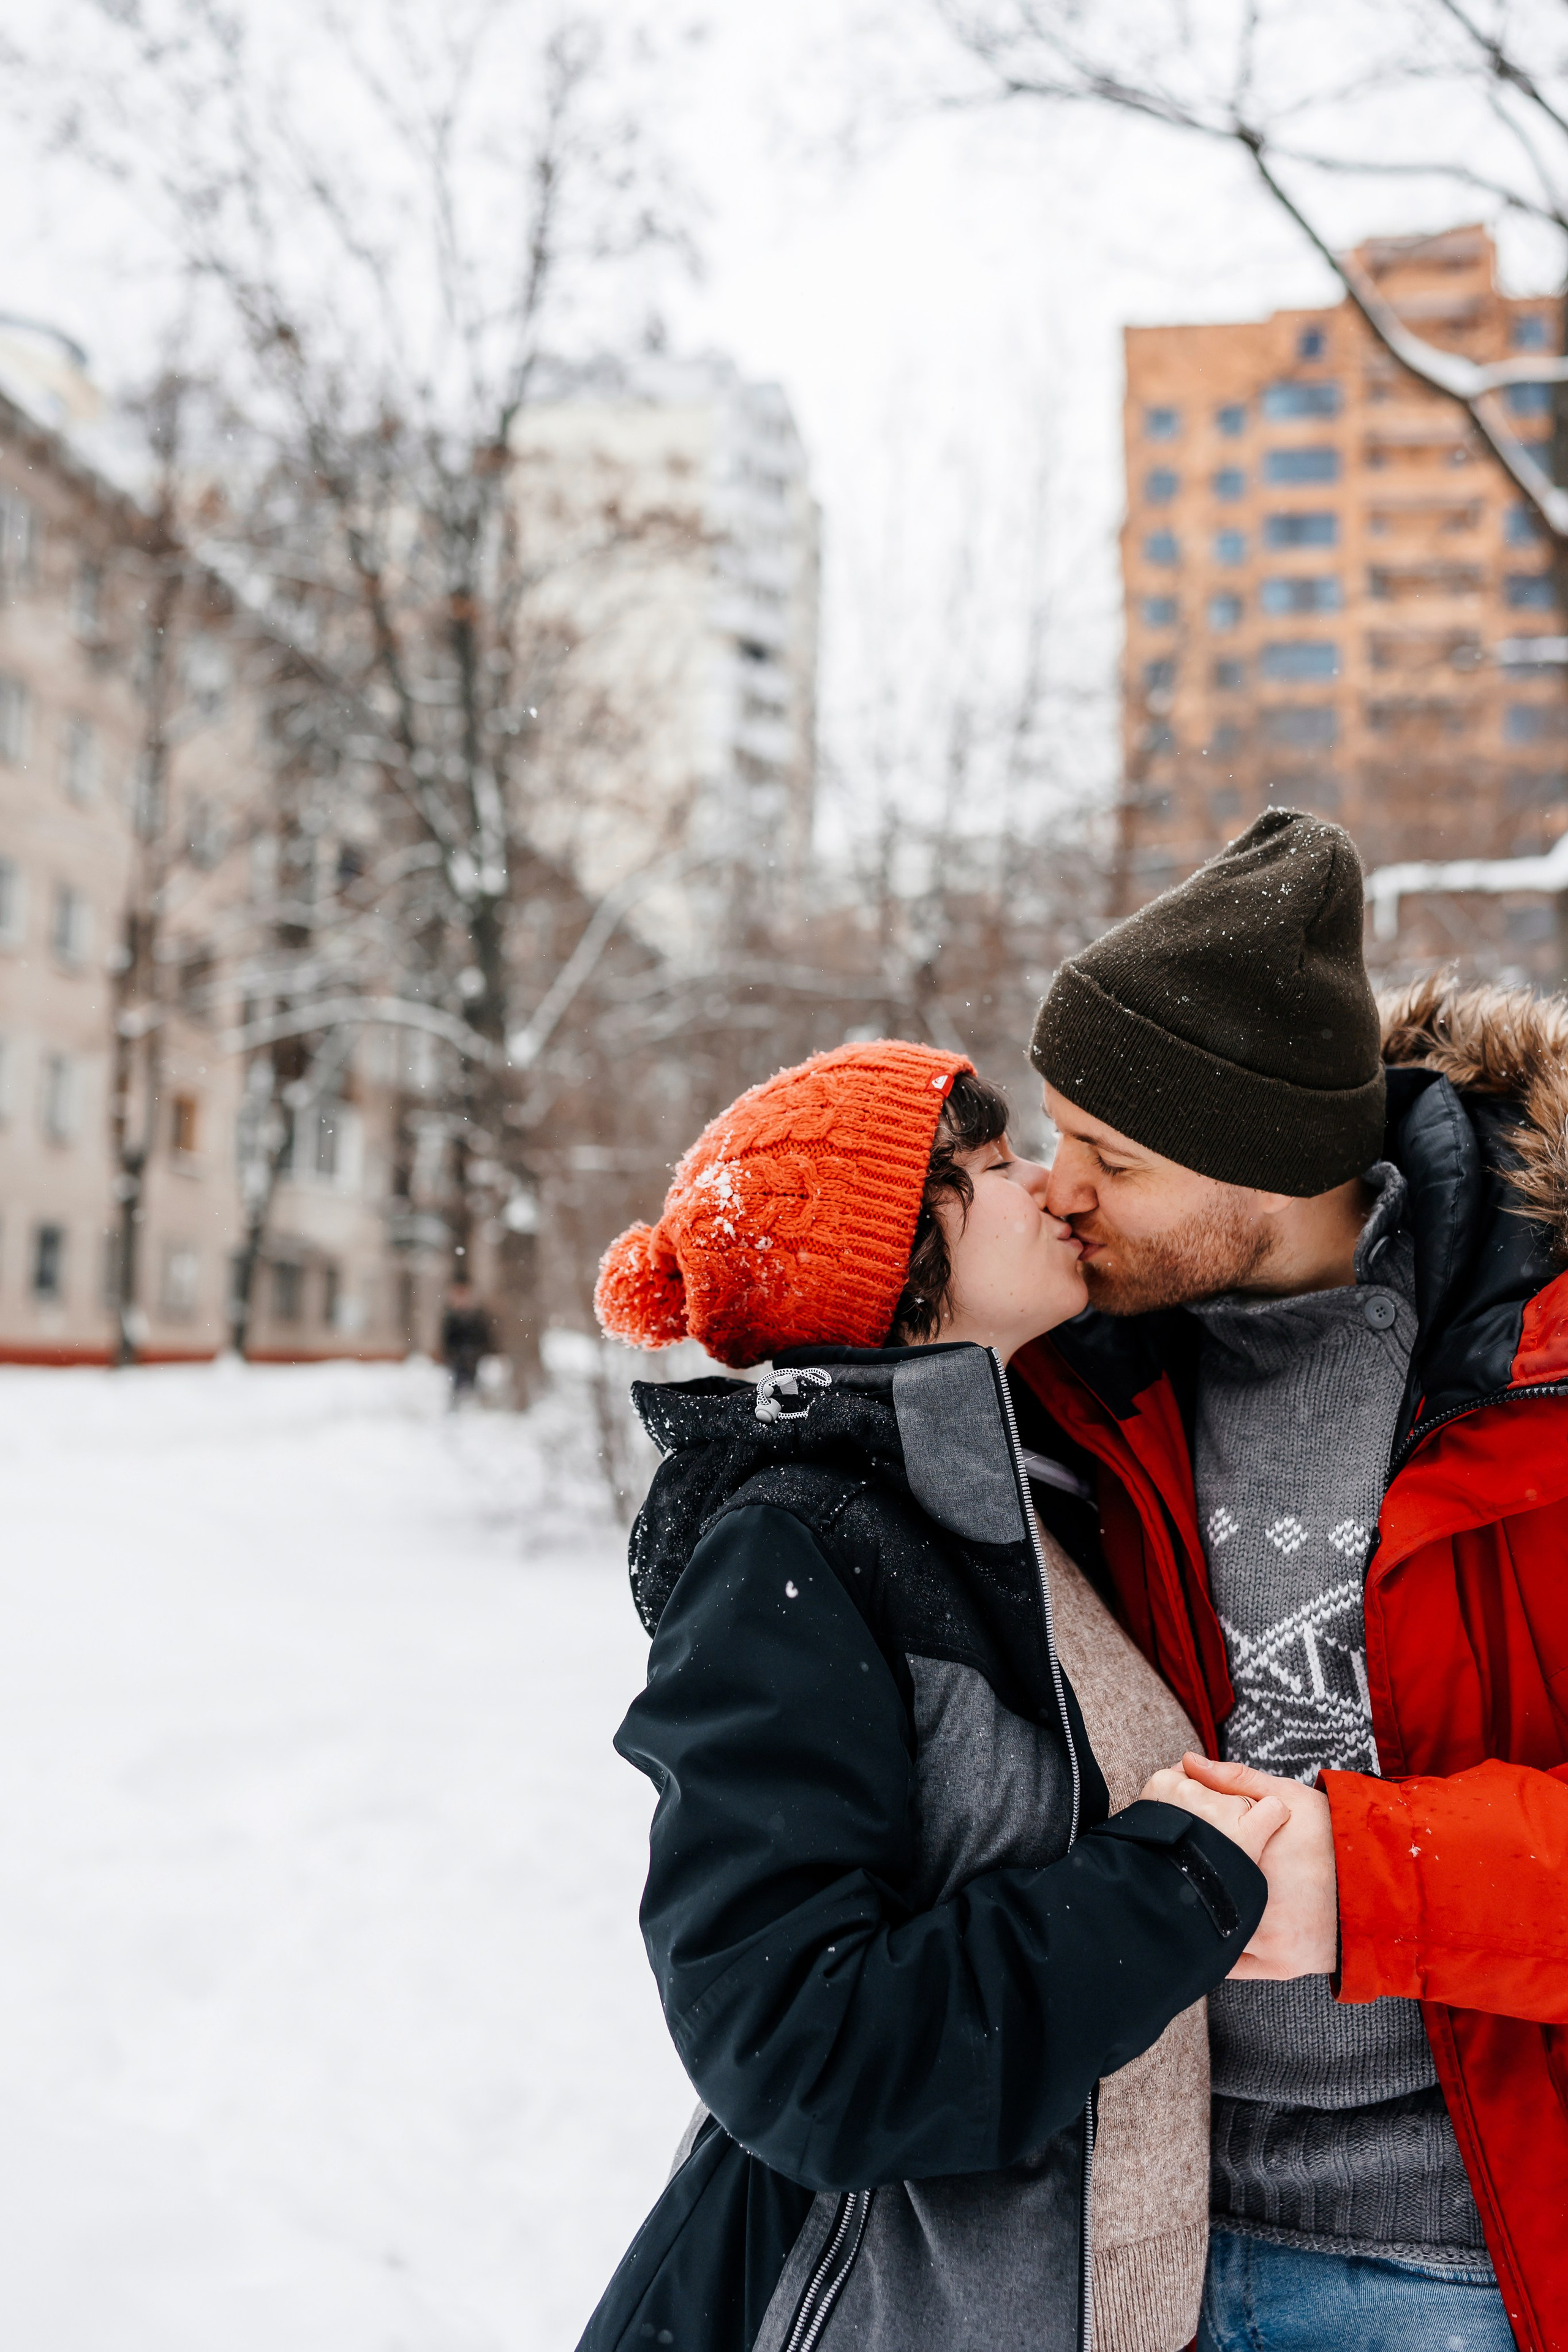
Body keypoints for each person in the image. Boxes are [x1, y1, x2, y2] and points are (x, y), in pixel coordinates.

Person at [577, 1039, 1294, 2352]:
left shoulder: (1023, 1505)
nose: (1045, 1189)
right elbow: (799, 2047)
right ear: (889, 1267)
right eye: (987, 1165)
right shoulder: (792, 1551)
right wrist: (1167, 1891)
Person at [1019, 806, 1568, 2352]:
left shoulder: (1539, 1371)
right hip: (1130, 2246)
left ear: (1254, 1157)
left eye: (1106, 1154)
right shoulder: (1070, 1377)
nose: (1060, 1189)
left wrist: (1380, 1873)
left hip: (1454, 2259)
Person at [439, 1278, 493, 1406]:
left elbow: (485, 1336)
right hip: (457, 1360)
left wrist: (479, 1352)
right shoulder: (451, 1317)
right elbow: (447, 1340)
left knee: (476, 1386)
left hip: (475, 1358)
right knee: (457, 1388)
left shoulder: (477, 1315)